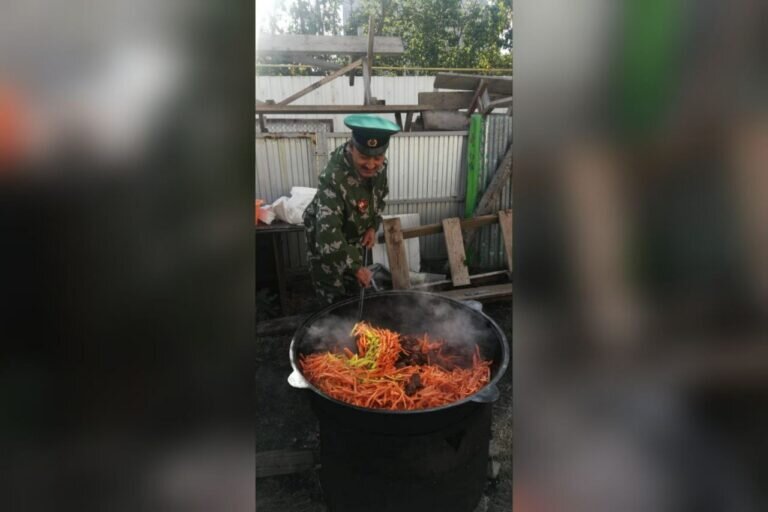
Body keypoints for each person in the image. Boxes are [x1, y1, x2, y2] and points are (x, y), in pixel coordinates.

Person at [303, 114, 400, 304]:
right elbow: (328, 237)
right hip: (326, 245)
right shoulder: (333, 178)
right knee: (333, 297)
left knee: (355, 292)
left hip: (353, 234)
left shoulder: (380, 167)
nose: (371, 165)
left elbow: (378, 197)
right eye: (364, 157)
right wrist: (356, 267)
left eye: (378, 157)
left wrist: (373, 226)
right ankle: (332, 329)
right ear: (352, 148)